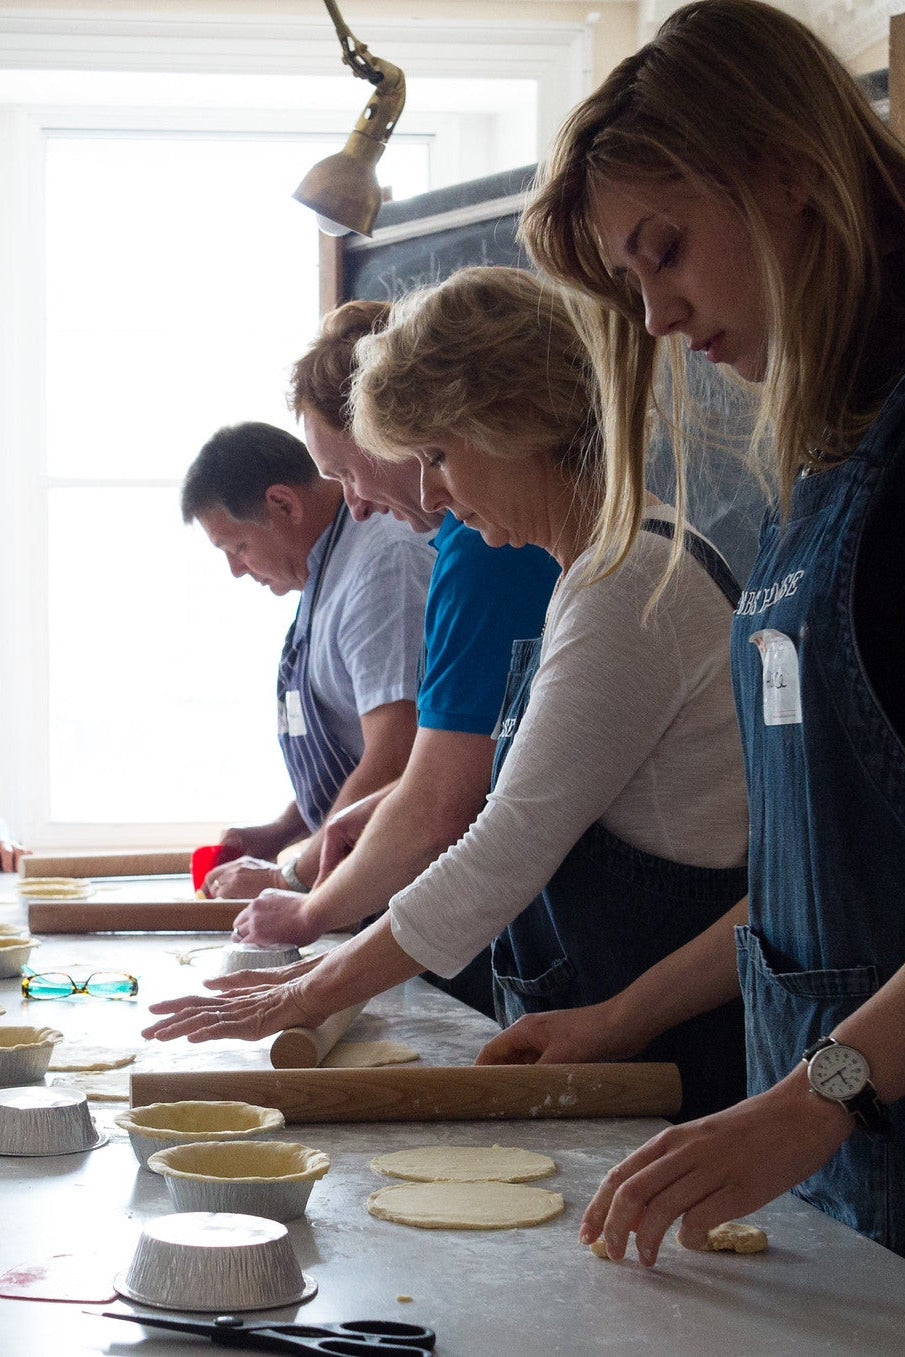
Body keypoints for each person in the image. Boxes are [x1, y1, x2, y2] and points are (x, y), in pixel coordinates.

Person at [145, 266, 749, 1123]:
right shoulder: (598, 572)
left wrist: (305, 991)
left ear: (511, 424)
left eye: (436, 455)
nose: (430, 494)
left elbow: (502, 846)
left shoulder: (626, 583)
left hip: (680, 1066)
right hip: (620, 1039)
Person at [495, 0, 905, 1261]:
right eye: (632, 285)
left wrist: (812, 1098)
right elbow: (793, 893)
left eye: (663, 251)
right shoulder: (818, 472)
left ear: (785, 169)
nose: (659, 318)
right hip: (845, 1185)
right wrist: (618, 1018)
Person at [205, 301, 560, 1017]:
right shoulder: (464, 543)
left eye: (346, 472)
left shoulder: (480, 549)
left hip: (525, 938)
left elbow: (438, 802)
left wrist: (305, 896)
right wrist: (309, 841)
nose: (356, 506)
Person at [182, 420, 433, 888]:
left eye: (238, 546)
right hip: (362, 870)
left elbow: (395, 757)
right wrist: (283, 830)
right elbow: (349, 741)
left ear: (282, 504)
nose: (236, 569)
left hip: (409, 879)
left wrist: (288, 878)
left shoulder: (383, 566)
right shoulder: (326, 569)